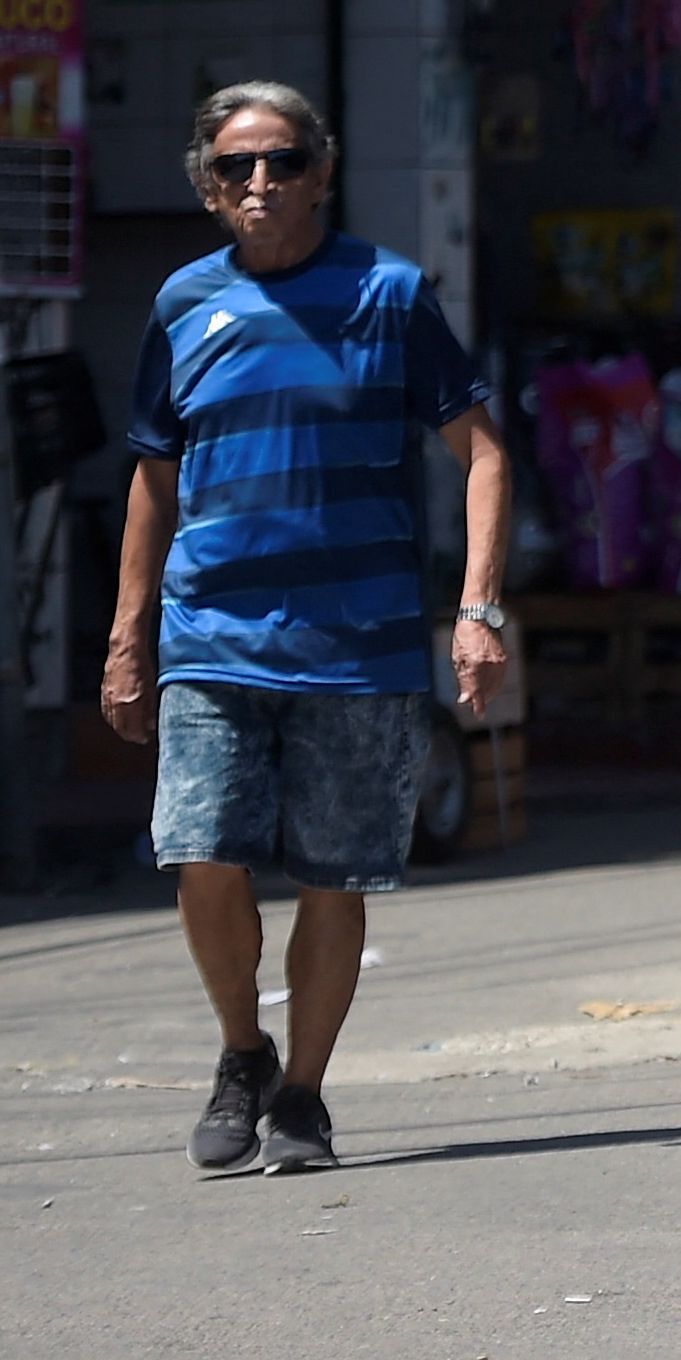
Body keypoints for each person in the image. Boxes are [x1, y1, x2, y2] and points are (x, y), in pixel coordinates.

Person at [100, 82, 513, 1177]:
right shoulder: (185, 303)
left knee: (336, 875)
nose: (260, 183)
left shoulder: (389, 292)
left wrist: (475, 609)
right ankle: (243, 1049)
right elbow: (153, 473)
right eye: (235, 168)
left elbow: (482, 451)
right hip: (212, 633)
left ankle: (302, 1096)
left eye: (282, 161)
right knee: (199, 852)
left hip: (360, 642)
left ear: (323, 173)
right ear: (204, 187)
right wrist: (127, 635)